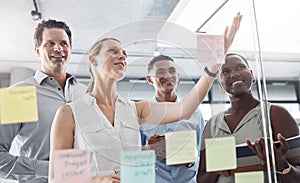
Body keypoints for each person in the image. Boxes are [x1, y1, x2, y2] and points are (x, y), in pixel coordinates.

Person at [48, 13, 242, 183]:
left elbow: (185, 109)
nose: (122, 56)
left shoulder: (135, 109)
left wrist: (213, 67)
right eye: (113, 50)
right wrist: (95, 180)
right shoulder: (69, 113)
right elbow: (57, 178)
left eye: (124, 53)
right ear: (93, 59)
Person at [0, 19, 87, 182]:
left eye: (63, 43)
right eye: (50, 43)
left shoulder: (85, 94)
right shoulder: (18, 94)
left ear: (70, 49)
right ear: (37, 51)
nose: (58, 48)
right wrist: (53, 169)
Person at [197, 53, 300, 183]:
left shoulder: (275, 114)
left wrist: (281, 164)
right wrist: (219, 168)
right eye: (226, 71)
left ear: (252, 75)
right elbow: (201, 179)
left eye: (240, 67)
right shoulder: (212, 124)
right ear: (220, 84)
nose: (234, 74)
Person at [139, 54, 204, 183]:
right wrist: (148, 150)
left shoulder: (194, 113)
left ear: (178, 76)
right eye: (161, 72)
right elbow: (132, 157)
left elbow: (203, 155)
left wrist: (190, 161)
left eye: (172, 71)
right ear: (150, 79)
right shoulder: (142, 114)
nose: (168, 75)